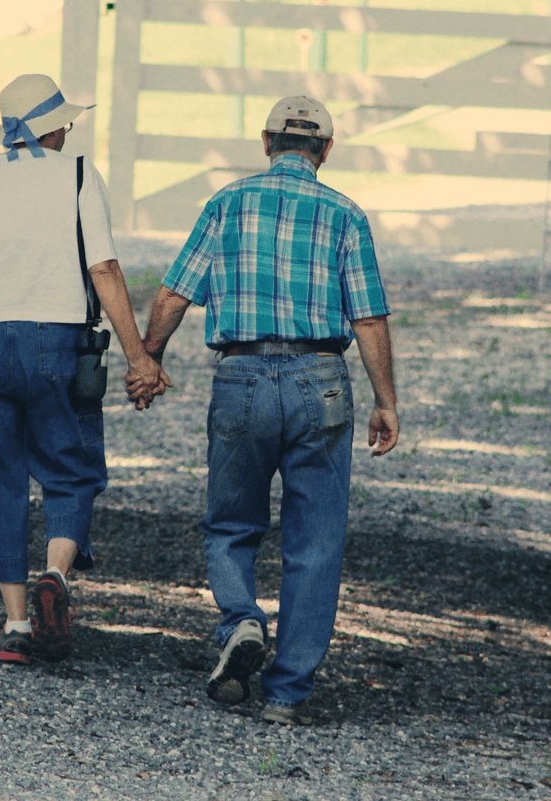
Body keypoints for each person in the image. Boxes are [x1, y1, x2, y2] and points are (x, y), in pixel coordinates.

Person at [133, 95, 399, 725]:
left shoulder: (227, 203)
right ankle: (286, 694)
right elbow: (368, 317)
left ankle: (241, 621)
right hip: (321, 379)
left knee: (230, 522)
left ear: (266, 142)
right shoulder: (346, 214)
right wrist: (385, 401)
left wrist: (148, 360)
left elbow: (173, 294)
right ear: (326, 150)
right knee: (316, 540)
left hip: (242, 376)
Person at [0, 74, 169, 666]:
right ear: (52, 128)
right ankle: (56, 574)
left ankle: (18, 624)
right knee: (69, 468)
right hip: (56, 339)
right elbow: (104, 270)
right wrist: (139, 357)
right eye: (65, 122)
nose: (68, 130)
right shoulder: (79, 175)